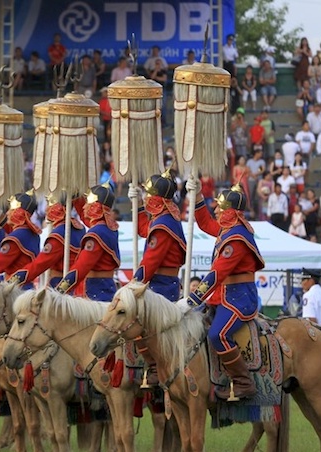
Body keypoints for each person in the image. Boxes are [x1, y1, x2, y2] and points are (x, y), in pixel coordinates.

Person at [178, 181, 265, 401]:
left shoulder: (236, 237)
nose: (215, 209)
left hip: (238, 298)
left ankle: (243, 383)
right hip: (224, 296)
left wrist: (191, 299)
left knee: (218, 334)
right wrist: (196, 196)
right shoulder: (230, 229)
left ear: (231, 212)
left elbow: (217, 274)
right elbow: (205, 222)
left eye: (220, 207)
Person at [128, 171, 186, 386]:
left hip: (161, 287)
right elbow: (144, 229)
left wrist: (132, 286)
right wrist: (139, 207)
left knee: (135, 325)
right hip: (161, 284)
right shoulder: (164, 219)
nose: (146, 198)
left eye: (148, 195)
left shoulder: (164, 224)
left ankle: (154, 366)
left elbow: (150, 262)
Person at [56, 183, 120, 301]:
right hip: (104, 287)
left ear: (96, 207)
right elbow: (89, 219)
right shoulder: (107, 227)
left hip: (95, 292)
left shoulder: (97, 233)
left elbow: (81, 267)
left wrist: (59, 290)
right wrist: (77, 198)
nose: (85, 208)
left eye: (88, 204)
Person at [7, 195, 85, 289]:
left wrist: (13, 281)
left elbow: (40, 264)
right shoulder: (78, 227)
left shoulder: (60, 233)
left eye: (50, 203)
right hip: (74, 285)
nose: (46, 208)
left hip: (60, 285)